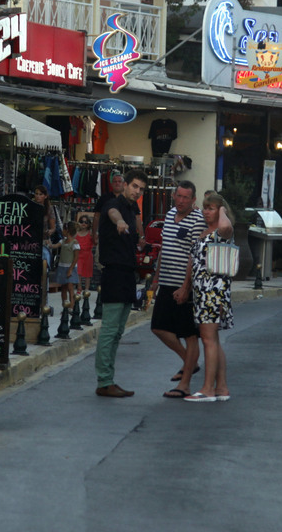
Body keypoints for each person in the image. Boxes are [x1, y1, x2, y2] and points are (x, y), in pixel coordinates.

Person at [94, 170, 147, 398]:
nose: (137, 191)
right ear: (124, 185)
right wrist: (120, 222)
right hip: (114, 273)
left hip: (128, 273)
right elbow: (114, 214)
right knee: (109, 330)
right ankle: (104, 381)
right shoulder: (113, 204)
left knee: (117, 332)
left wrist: (141, 239)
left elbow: (137, 227)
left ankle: (108, 380)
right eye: (134, 186)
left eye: (141, 189)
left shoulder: (133, 208)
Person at [153, 181, 205, 399]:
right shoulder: (170, 214)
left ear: (193, 200)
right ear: (174, 196)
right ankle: (189, 362)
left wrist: (186, 288)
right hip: (166, 281)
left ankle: (184, 385)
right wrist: (156, 278)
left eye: (186, 197)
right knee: (158, 328)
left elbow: (195, 256)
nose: (182, 201)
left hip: (185, 286)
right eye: (179, 196)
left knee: (189, 335)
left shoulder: (198, 219)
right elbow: (165, 247)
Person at [184, 192, 235, 402]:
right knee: (213, 340)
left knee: (208, 339)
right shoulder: (204, 232)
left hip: (213, 291)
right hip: (202, 291)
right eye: (205, 207)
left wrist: (222, 209)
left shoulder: (222, 231)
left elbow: (225, 226)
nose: (207, 212)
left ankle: (207, 389)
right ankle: (221, 387)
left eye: (212, 208)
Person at [49, 222, 81, 316]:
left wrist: (71, 269)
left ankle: (71, 306)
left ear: (68, 231)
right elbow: (54, 246)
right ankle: (65, 306)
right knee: (63, 287)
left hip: (70, 267)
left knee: (70, 287)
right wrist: (49, 243)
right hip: (62, 267)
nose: (62, 231)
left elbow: (76, 258)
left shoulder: (74, 243)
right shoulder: (62, 241)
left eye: (63, 229)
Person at [76, 214, 95, 295]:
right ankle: (79, 288)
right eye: (81, 221)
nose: (83, 224)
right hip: (78, 254)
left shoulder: (90, 233)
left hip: (88, 254)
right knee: (78, 272)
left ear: (89, 224)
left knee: (88, 273)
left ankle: (87, 289)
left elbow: (95, 242)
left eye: (86, 222)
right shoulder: (76, 233)